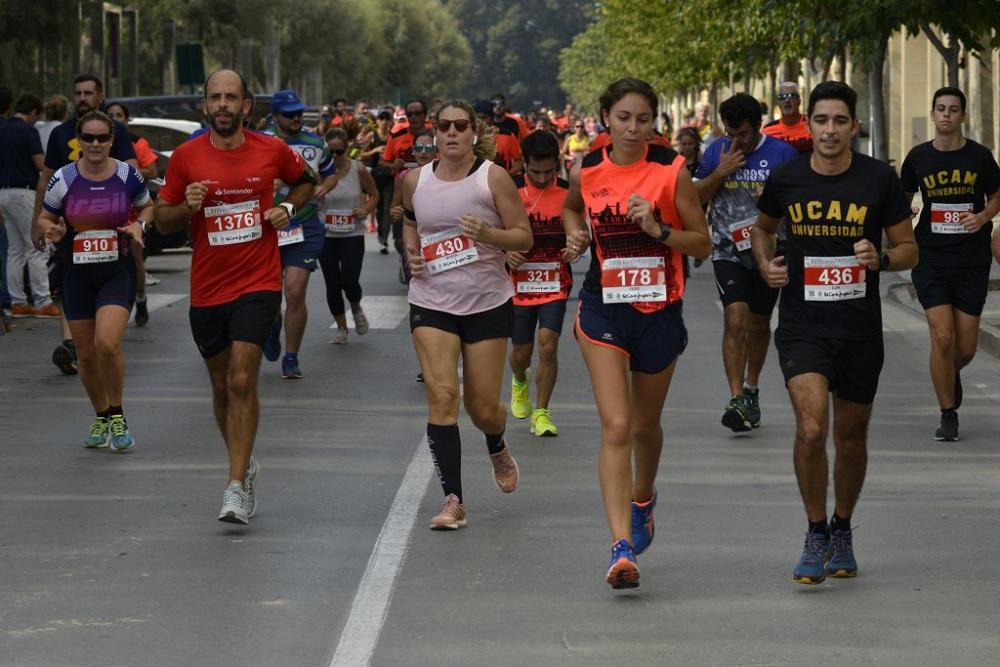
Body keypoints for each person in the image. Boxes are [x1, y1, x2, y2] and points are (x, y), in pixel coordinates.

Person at [751, 81, 917, 585]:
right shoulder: (787, 178)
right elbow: (762, 228)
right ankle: (815, 529)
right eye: (821, 120)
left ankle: (843, 527)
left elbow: (909, 248)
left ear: (854, 126)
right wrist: (765, 265)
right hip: (803, 325)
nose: (829, 130)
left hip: (859, 329)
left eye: (839, 121)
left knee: (849, 437)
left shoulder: (878, 180)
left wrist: (882, 259)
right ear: (811, 123)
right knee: (811, 428)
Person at [562, 78, 711, 590]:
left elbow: (703, 245)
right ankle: (621, 548)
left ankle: (643, 496)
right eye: (623, 117)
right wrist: (574, 234)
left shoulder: (671, 170)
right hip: (604, 308)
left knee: (645, 427)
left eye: (643, 119)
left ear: (654, 123)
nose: (632, 128)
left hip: (658, 312)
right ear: (605, 117)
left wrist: (659, 230)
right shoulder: (589, 169)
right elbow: (570, 206)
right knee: (618, 427)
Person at [154, 69, 317, 525]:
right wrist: (185, 206)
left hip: (258, 283)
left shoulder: (271, 149)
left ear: (247, 105)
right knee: (222, 385)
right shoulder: (185, 157)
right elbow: (162, 222)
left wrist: (287, 208)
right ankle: (243, 465)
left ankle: (234, 485)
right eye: (215, 97)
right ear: (204, 105)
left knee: (244, 379)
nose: (223, 104)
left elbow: (306, 181)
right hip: (207, 288)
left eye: (232, 97)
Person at [401, 100, 533, 531]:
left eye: (461, 126)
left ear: (474, 132)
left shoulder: (491, 178)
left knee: (482, 409)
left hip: (486, 304)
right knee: (442, 397)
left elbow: (523, 236)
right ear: (434, 133)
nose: (453, 132)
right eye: (445, 126)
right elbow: (409, 221)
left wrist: (490, 234)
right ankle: (453, 499)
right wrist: (412, 253)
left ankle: (495, 441)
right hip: (431, 301)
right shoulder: (413, 180)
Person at [34, 110, 151, 451]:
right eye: (89, 138)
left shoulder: (127, 175)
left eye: (102, 138)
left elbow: (147, 207)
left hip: (116, 269)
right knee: (84, 355)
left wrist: (138, 226)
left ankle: (116, 413)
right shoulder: (66, 178)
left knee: (107, 343)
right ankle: (100, 415)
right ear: (79, 142)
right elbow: (45, 216)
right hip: (77, 272)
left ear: (112, 140)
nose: (96, 144)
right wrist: (51, 228)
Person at [694, 93, 799, 432]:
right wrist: (720, 172)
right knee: (735, 319)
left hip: (770, 251)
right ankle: (736, 398)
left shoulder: (783, 154)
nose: (736, 140)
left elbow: (800, 204)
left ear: (758, 126)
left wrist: (773, 200)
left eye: (743, 134)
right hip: (728, 250)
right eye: (730, 132)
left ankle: (751, 387)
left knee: (758, 324)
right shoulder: (716, 152)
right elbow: (694, 198)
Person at [900, 87, 1000, 441]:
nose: (946, 115)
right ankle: (948, 414)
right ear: (933, 113)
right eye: (940, 109)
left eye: (953, 110)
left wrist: (984, 216)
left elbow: (996, 194)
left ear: (962, 116)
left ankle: (948, 373)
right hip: (931, 257)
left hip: (971, 258)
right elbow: (904, 197)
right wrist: (904, 214)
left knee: (965, 348)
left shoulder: (979, 157)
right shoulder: (918, 157)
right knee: (942, 337)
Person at [32, 74, 138, 376]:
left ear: (100, 96)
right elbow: (45, 179)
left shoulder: (114, 131)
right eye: (77, 92)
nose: (82, 98)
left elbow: (132, 171)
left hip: (112, 226)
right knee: (68, 275)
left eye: (88, 93)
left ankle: (130, 303)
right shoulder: (59, 134)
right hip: (70, 226)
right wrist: (37, 223)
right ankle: (70, 343)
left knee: (119, 271)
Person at [261, 90, 339, 379]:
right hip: (268, 225)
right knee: (269, 294)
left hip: (303, 224)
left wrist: (323, 187)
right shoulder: (261, 141)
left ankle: (291, 356)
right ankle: (271, 326)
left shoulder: (316, 142)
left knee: (295, 291)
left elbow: (331, 173)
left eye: (298, 114)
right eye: (289, 114)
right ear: (276, 115)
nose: (295, 119)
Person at [507, 130, 571, 437]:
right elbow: (491, 233)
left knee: (548, 345)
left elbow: (580, 233)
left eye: (549, 171)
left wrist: (577, 246)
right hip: (516, 286)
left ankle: (542, 412)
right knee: (521, 351)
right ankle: (519, 380)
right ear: (523, 164)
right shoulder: (509, 191)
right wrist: (506, 252)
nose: (543, 178)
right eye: (536, 172)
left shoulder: (569, 194)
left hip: (555, 282)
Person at [0, 93, 60, 318]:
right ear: (33, 112)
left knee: (15, 250)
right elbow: (40, 163)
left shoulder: (3, 129)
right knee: (38, 245)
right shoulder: (27, 130)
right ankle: (43, 301)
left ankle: (17, 302)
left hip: (3, 193)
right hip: (24, 192)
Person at [319, 127, 378, 344]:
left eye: (339, 151)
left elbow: (374, 195)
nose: (335, 156)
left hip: (352, 233)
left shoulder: (359, 169)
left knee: (350, 280)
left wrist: (366, 209)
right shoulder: (319, 172)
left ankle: (355, 305)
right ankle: (342, 327)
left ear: (347, 150)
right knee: (332, 282)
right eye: (331, 152)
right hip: (326, 234)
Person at [106, 101, 158, 327]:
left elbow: (152, 171)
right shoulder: (96, 143)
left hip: (132, 206)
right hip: (103, 209)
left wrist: (130, 170)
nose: (115, 118)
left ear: (126, 120)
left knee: (134, 258)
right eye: (111, 115)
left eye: (119, 115)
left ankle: (140, 298)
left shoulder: (138, 143)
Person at [390, 128, 437, 288]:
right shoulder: (404, 176)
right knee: (415, 279)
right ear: (413, 151)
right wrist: (395, 211)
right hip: (411, 231)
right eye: (419, 148)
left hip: (437, 233)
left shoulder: (447, 174)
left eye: (429, 148)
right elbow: (394, 208)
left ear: (436, 150)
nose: (423, 152)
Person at [362, 109, 394, 254]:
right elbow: (360, 153)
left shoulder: (393, 137)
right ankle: (381, 234)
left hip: (390, 176)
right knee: (378, 208)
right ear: (378, 121)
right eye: (382, 119)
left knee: (387, 209)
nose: (385, 122)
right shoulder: (372, 135)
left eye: (387, 119)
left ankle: (384, 239)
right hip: (375, 177)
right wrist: (375, 150)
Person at [473, 99, 523, 175]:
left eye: (484, 118)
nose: (480, 121)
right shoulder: (469, 138)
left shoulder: (507, 135)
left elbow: (519, 161)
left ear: (491, 118)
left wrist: (507, 175)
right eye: (477, 118)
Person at [380, 98, 430, 173]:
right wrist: (392, 165)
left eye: (417, 113)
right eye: (410, 114)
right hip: (402, 182)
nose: (413, 117)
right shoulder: (396, 136)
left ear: (425, 115)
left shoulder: (436, 136)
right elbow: (382, 162)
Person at [762, 82, 813, 154]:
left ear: (799, 101)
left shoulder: (812, 124)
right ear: (778, 103)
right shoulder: (768, 130)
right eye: (782, 97)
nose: (787, 100)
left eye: (792, 96)